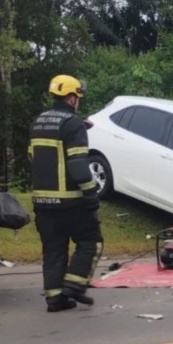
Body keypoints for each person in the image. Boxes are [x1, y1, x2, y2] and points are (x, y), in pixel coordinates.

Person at [29, 75, 103, 313]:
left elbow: (32, 157)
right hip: (71, 201)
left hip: (42, 201)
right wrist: (90, 194)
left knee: (53, 250)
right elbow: (77, 163)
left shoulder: (38, 122)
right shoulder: (73, 124)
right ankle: (75, 286)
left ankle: (55, 299)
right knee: (91, 242)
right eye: (78, 97)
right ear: (72, 98)